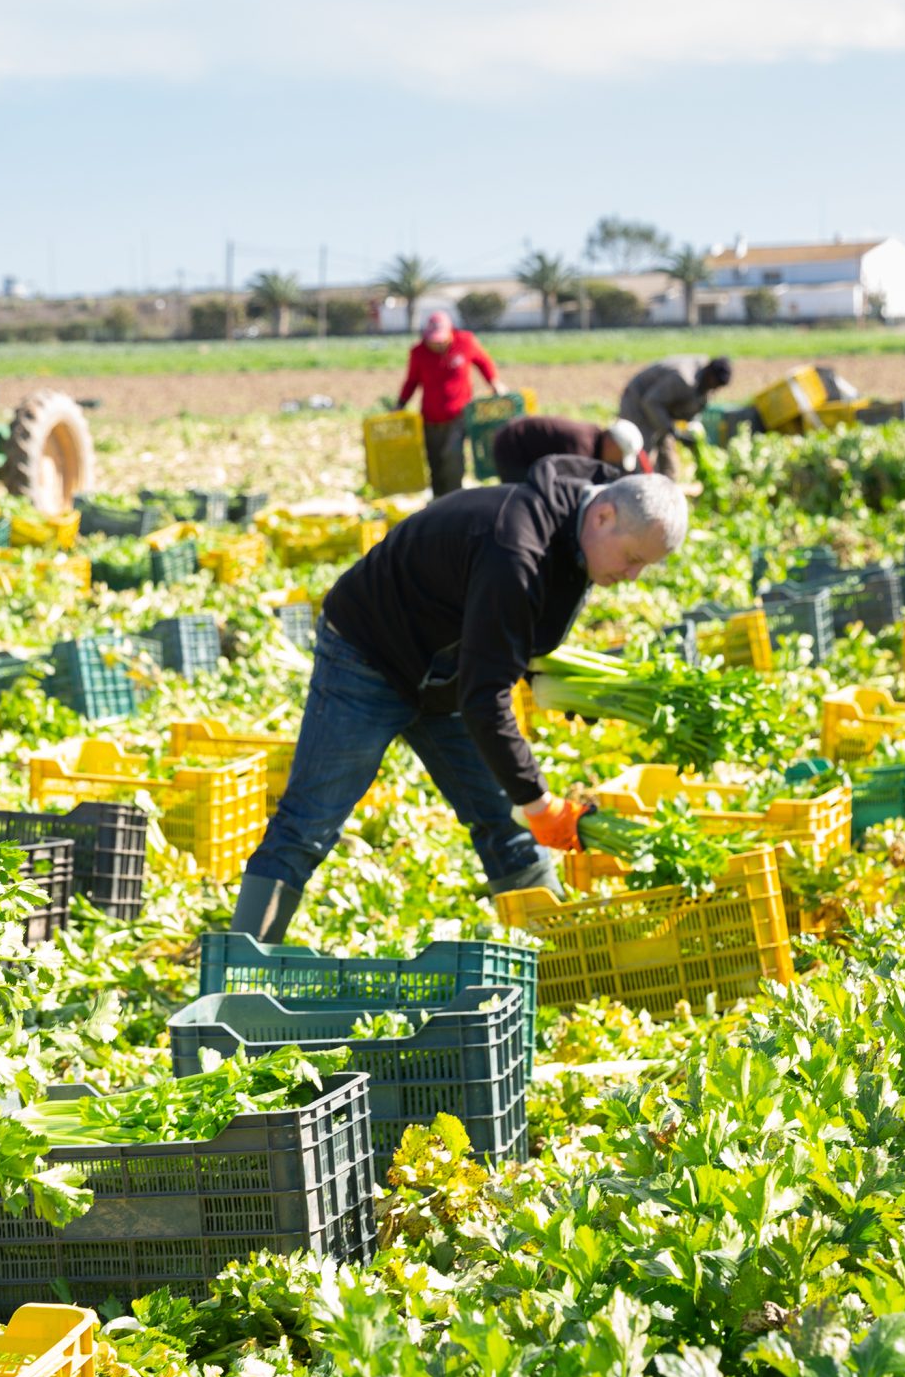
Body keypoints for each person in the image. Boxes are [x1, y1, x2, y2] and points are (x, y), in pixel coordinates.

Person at [229, 458, 689, 940]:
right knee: (308, 824)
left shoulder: (574, 534)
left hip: (445, 673)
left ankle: (556, 958)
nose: (633, 576)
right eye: (633, 558)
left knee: (503, 819)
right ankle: (236, 975)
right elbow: (485, 697)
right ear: (604, 516)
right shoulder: (515, 547)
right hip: (367, 657)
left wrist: (542, 696)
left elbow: (506, 634)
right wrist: (538, 802)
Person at [395, 312, 505, 497]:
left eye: (441, 340)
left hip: (458, 416)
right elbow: (412, 381)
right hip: (430, 417)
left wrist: (494, 382)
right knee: (435, 461)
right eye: (433, 341)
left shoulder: (465, 342)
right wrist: (400, 404)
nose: (437, 344)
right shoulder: (419, 352)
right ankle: (439, 500)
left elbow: (484, 362)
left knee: (453, 460)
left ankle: (454, 499)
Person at [619, 355, 733, 476]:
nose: (715, 389)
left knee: (669, 465)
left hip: (662, 411)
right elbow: (650, 402)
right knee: (642, 458)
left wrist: (686, 431)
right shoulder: (682, 378)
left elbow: (693, 406)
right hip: (637, 404)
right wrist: (672, 430)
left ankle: (667, 488)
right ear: (710, 375)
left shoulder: (705, 383)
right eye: (715, 384)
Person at [489, 414, 647, 484]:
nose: (618, 462)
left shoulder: (593, 437)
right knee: (520, 497)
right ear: (612, 444)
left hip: (519, 441)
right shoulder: (582, 448)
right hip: (512, 444)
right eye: (620, 456)